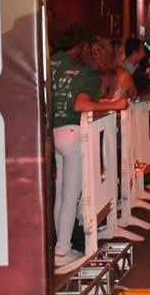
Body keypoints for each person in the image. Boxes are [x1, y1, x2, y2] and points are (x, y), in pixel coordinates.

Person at [51, 34, 128, 267]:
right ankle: (63, 251)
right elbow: (80, 104)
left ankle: (61, 245)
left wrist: (102, 103)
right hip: (73, 134)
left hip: (53, 130)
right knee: (71, 195)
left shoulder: (57, 61)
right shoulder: (89, 74)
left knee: (60, 193)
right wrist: (114, 104)